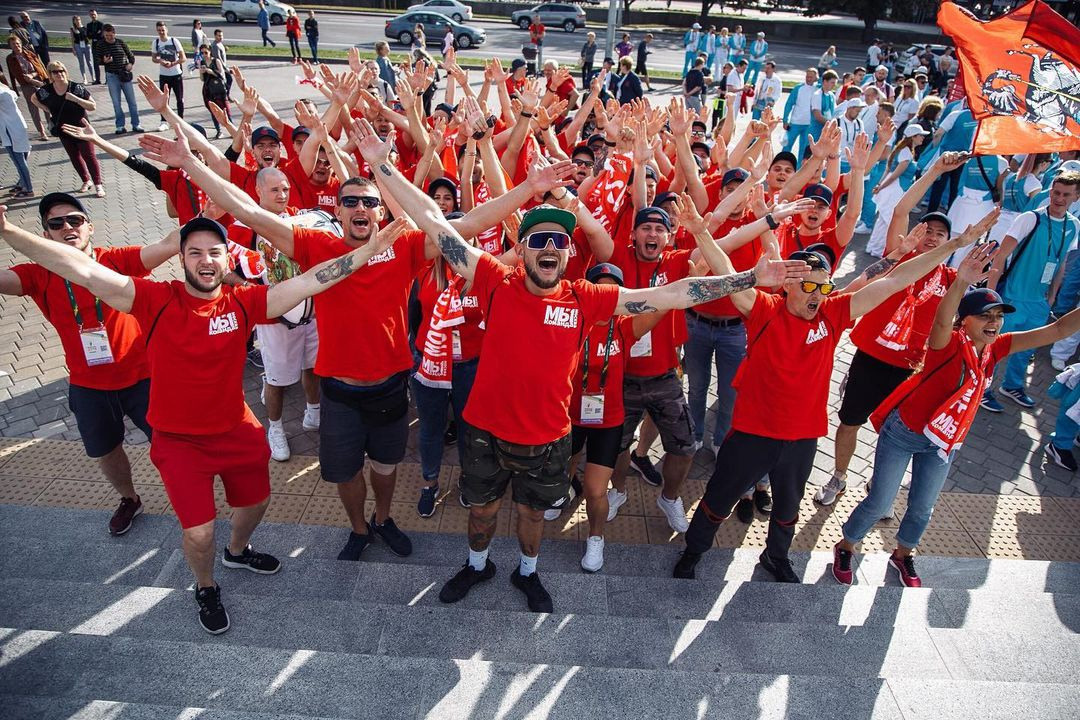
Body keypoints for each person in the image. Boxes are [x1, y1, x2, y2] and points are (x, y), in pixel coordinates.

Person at [394, 116, 811, 612]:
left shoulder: (585, 298)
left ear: (570, 253)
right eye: (540, 239)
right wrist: (382, 166)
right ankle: (476, 564)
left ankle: (528, 572)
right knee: (482, 511)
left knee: (531, 514)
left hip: (549, 436)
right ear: (522, 249)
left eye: (559, 242)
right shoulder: (493, 281)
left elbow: (674, 292)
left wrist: (746, 278)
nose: (550, 247)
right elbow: (436, 225)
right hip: (484, 430)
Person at [2, 173, 407, 633]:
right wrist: (9, 232)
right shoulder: (153, 299)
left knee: (255, 504)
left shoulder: (243, 303)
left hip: (236, 432)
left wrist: (364, 254)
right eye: (193, 251)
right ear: (181, 258)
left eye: (214, 251)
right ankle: (206, 586)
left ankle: (238, 552)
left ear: (225, 257)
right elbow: (85, 270)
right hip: (178, 443)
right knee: (198, 531)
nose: (205, 259)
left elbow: (312, 281)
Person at [673, 212, 999, 584]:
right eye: (810, 287)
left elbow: (895, 280)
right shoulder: (763, 310)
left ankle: (775, 557)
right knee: (717, 501)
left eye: (824, 287)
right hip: (752, 433)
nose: (818, 296)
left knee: (788, 509)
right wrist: (702, 234)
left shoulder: (834, 313)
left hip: (802, 438)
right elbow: (726, 271)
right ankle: (694, 551)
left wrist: (954, 247)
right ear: (789, 286)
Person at [832, 248, 1080, 587]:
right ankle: (846, 545)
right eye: (986, 316)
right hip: (904, 432)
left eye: (998, 316)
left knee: (923, 508)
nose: (994, 322)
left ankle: (903, 555)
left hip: (943, 442)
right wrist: (961, 281)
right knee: (879, 502)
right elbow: (941, 319)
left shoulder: (999, 347)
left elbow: (1058, 330)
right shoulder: (945, 343)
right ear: (965, 321)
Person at [0, 193, 179, 537]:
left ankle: (184, 494)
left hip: (143, 376)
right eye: (56, 223)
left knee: (169, 444)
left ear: (89, 227)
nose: (67, 227)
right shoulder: (38, 275)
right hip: (88, 385)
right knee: (105, 450)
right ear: (46, 234)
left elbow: (169, 244)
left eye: (75, 220)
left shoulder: (116, 260)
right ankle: (129, 499)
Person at [817, 154, 966, 506]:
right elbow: (901, 208)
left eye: (939, 234)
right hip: (871, 357)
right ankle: (838, 476)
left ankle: (880, 485)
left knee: (892, 433)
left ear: (950, 242)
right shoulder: (897, 258)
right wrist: (935, 171)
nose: (931, 238)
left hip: (910, 369)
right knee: (850, 420)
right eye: (926, 231)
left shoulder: (952, 281)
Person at [981, 171, 1080, 412]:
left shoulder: (1074, 225)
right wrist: (991, 296)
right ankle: (981, 389)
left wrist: (1053, 295)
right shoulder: (1030, 218)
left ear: (1076, 197)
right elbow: (1000, 256)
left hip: (1039, 301)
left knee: (1025, 349)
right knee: (992, 347)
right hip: (1012, 297)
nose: (1059, 198)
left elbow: (1062, 262)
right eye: (1056, 192)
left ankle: (1012, 386)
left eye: (1066, 194)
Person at [32, 61, 104, 197]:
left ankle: (98, 184)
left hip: (81, 128)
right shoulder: (46, 90)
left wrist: (75, 99)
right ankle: (85, 180)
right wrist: (46, 109)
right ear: (50, 74)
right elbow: (33, 98)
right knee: (74, 157)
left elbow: (92, 106)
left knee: (89, 156)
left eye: (62, 71)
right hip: (63, 129)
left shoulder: (75, 88)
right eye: (55, 72)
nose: (59, 74)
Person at [867, 124, 930, 257]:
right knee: (888, 221)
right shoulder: (906, 152)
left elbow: (889, 171)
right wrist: (881, 186)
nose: (923, 138)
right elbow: (895, 173)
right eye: (920, 135)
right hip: (895, 190)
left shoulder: (902, 150)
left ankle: (874, 248)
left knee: (883, 221)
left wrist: (880, 185)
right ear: (913, 137)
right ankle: (880, 250)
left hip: (892, 188)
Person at [94, 24, 143, 134]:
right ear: (103, 34)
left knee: (132, 101)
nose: (109, 38)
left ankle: (136, 124)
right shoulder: (100, 45)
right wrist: (104, 61)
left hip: (124, 75)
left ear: (114, 34)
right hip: (112, 76)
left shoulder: (120, 42)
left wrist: (130, 64)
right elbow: (97, 60)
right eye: (106, 36)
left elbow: (131, 56)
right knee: (116, 102)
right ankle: (120, 126)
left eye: (111, 36)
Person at [5, 35, 48, 141]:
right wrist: (14, 88)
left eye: (18, 43)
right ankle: (42, 132)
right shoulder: (10, 58)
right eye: (13, 44)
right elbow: (12, 74)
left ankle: (51, 126)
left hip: (38, 80)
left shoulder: (29, 53)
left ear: (21, 44)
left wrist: (37, 77)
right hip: (25, 85)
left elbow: (39, 66)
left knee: (46, 103)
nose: (16, 46)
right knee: (33, 108)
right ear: (10, 46)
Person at [0, 79, 33, 197]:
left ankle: (28, 189)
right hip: (13, 128)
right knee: (20, 160)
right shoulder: (6, 90)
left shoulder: (2, 93)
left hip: (11, 130)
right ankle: (23, 184)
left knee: (19, 161)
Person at [151, 21, 186, 132]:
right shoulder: (156, 42)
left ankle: (181, 121)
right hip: (164, 75)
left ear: (166, 30)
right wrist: (160, 61)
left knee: (179, 99)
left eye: (163, 30)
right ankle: (164, 121)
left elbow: (183, 58)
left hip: (176, 74)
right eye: (159, 30)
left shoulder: (174, 41)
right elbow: (153, 58)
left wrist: (173, 63)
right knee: (164, 99)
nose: (161, 32)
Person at [782, 68, 818, 159]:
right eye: (807, 76)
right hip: (795, 123)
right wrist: (785, 120)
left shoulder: (818, 90)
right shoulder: (798, 88)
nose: (808, 79)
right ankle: (782, 162)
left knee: (803, 150)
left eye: (811, 77)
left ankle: (799, 170)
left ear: (815, 78)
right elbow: (789, 104)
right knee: (786, 146)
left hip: (809, 125)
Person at [198, 44, 230, 138]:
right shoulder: (202, 62)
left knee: (226, 109)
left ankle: (232, 130)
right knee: (213, 110)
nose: (204, 55)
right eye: (202, 53)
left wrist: (211, 71)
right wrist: (201, 72)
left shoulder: (216, 61)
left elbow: (222, 75)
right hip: (208, 89)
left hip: (219, 89)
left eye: (206, 52)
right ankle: (219, 131)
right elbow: (202, 79)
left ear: (210, 51)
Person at [70, 16, 93, 84]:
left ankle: (93, 77)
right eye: (76, 20)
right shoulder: (72, 29)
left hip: (86, 45)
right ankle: (84, 78)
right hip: (78, 46)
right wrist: (73, 49)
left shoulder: (85, 28)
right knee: (81, 63)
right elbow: (72, 39)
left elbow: (89, 37)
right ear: (74, 21)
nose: (78, 21)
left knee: (89, 62)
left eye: (79, 19)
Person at [211, 29, 231, 98]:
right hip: (220, 68)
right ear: (215, 36)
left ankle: (226, 95)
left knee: (227, 81)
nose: (221, 37)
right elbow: (218, 58)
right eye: (219, 36)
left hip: (223, 67)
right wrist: (226, 69)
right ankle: (225, 96)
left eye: (222, 35)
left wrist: (224, 50)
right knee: (228, 80)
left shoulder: (219, 44)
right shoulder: (215, 46)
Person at [86, 9, 104, 85]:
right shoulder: (89, 25)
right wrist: (96, 34)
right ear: (90, 16)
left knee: (105, 62)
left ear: (97, 15)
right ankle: (97, 79)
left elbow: (101, 35)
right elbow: (88, 36)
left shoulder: (101, 24)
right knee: (96, 63)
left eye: (94, 14)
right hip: (94, 46)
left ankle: (107, 79)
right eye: (91, 15)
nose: (93, 16)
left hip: (101, 45)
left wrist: (94, 34)